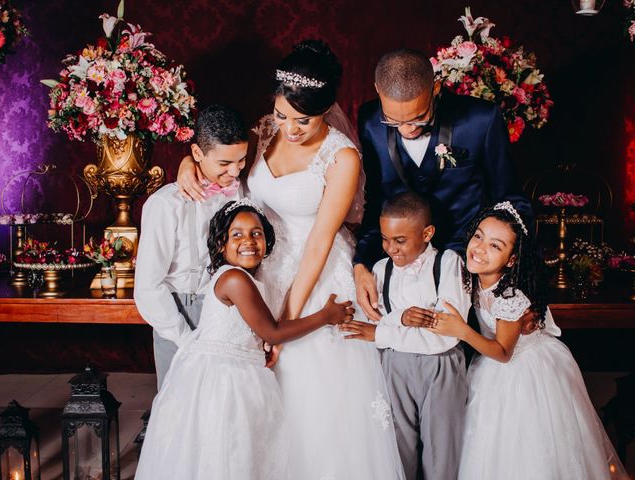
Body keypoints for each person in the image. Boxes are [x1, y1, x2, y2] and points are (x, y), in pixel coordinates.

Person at [178, 39, 405, 480]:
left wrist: (284, 323)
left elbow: (320, 241)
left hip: (314, 275)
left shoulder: (341, 156)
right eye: (283, 114)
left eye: (304, 119)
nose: (291, 128)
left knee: (309, 392)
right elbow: (223, 164)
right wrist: (190, 167)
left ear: (328, 110)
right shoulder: (264, 130)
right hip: (259, 265)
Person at [134, 199, 355, 480]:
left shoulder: (249, 278)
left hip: (241, 371)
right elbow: (272, 332)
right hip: (223, 379)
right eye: (236, 234)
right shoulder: (235, 280)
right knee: (225, 452)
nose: (248, 241)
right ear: (220, 244)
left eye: (256, 233)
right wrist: (326, 315)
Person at [428, 202, 628, 480]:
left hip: (525, 368)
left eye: (495, 246)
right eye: (478, 236)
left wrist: (460, 330)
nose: (481, 248)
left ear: (511, 260)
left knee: (528, 442)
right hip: (493, 364)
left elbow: (502, 352)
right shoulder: (472, 277)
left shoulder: (510, 298)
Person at [353, 48, 533, 322]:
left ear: (436, 88)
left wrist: (513, 279)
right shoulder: (369, 121)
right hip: (398, 270)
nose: (406, 129)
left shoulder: (481, 120)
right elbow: (376, 201)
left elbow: (509, 200)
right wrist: (361, 263)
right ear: (378, 90)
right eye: (394, 120)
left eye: (418, 117)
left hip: (468, 266)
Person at [340, 192, 470, 480]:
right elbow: (378, 318)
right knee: (398, 445)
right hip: (394, 363)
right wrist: (398, 320)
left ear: (427, 233)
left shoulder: (448, 264)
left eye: (400, 241)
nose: (391, 249)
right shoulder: (380, 269)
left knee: (443, 447)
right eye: (385, 239)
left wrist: (382, 334)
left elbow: (445, 333)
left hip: (439, 365)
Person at [134, 104, 247, 389]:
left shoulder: (243, 193)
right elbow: (147, 286)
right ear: (197, 154)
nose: (234, 171)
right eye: (224, 164)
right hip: (180, 314)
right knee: (180, 407)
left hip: (231, 311)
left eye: (241, 160)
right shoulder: (164, 205)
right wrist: (185, 337)